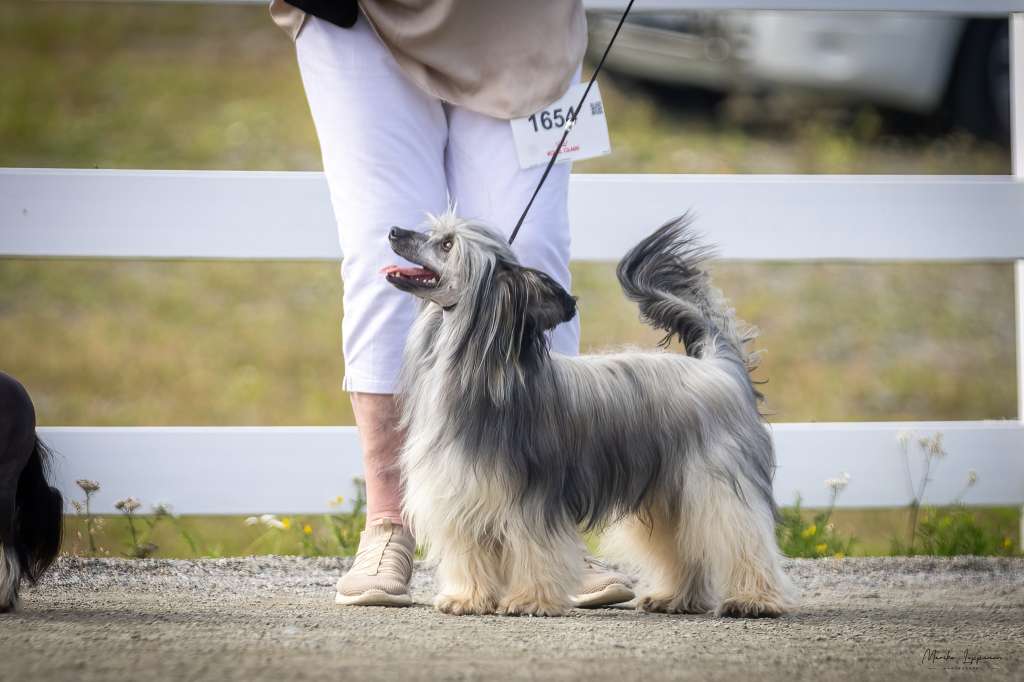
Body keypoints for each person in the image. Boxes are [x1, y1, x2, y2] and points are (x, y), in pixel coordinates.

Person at [269, 0, 633, 608]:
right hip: (363, 19)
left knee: (529, 256)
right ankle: (390, 522)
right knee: (387, 262)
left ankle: (548, 524)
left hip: (521, 22)